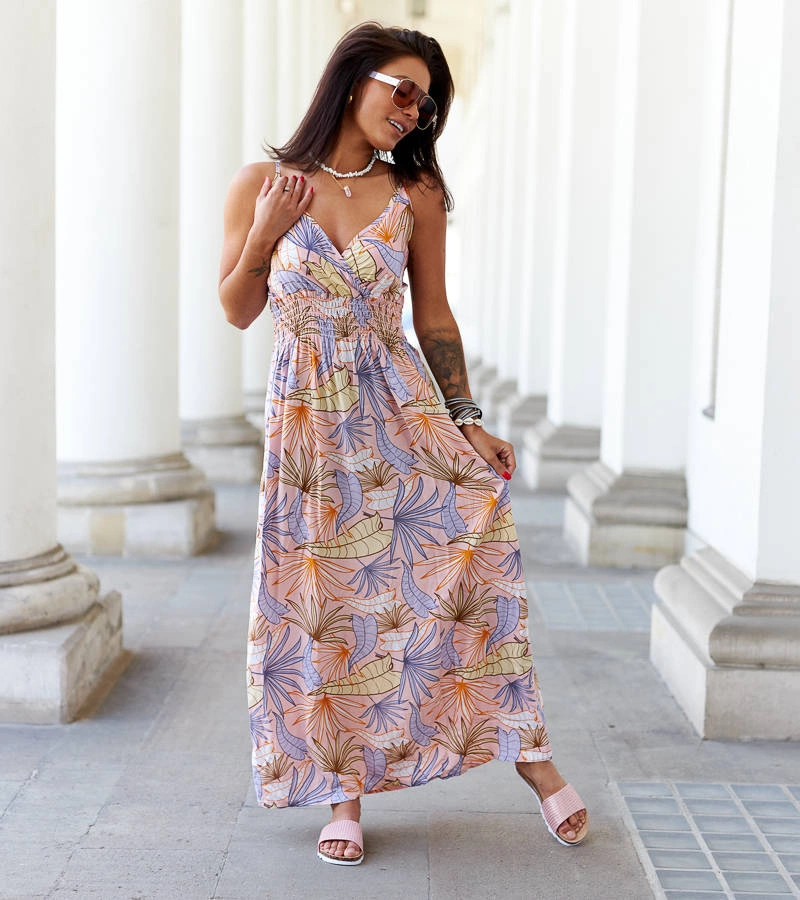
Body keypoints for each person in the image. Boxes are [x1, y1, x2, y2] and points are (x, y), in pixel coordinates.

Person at [219, 21, 588, 867]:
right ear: (354, 79)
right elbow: (238, 308)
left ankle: (531, 755)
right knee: (323, 604)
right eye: (406, 91)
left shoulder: (415, 192)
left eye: (427, 105)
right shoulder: (260, 185)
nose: (415, 112)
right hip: (308, 426)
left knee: (472, 565)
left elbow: (434, 317)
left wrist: (468, 418)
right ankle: (342, 794)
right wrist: (266, 230)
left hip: (398, 408)